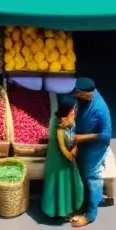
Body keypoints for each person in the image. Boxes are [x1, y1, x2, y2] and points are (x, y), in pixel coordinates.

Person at [71, 78, 112, 227]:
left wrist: (80, 138)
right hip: (83, 143)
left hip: (96, 146)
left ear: (88, 94)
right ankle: (81, 204)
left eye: (79, 94)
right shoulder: (84, 99)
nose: (76, 96)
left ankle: (91, 214)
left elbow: (106, 135)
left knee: (92, 176)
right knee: (81, 172)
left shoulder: (100, 109)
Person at [41, 95, 85, 223]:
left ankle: (64, 209)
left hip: (65, 157)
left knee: (66, 186)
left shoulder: (68, 119)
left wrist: (75, 146)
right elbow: (62, 147)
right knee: (60, 185)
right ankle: (60, 212)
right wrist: (71, 157)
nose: (75, 111)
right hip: (59, 160)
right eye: (73, 109)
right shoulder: (59, 126)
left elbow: (73, 135)